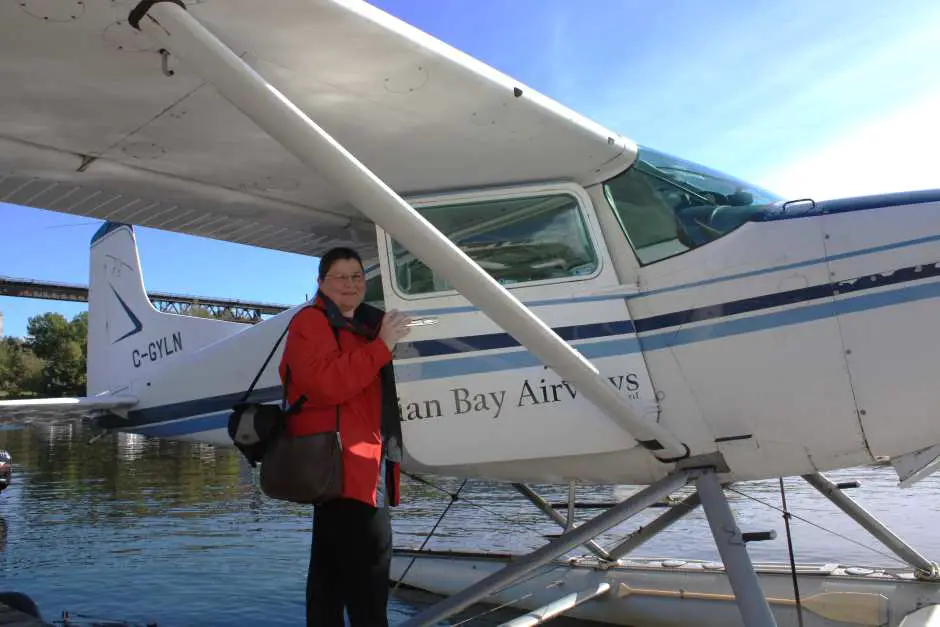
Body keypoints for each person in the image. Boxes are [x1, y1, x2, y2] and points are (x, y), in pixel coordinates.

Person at [278, 246, 412, 627]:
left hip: (357, 466)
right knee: (366, 584)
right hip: (345, 470)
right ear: (321, 283)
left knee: (330, 581)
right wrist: (383, 346)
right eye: (340, 277)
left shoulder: (365, 324)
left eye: (357, 276)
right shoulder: (311, 322)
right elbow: (325, 384)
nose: (350, 284)